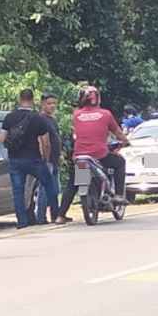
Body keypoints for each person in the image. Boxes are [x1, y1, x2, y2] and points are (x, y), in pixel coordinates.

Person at [56, 86, 130, 224]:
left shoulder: (76, 115)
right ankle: (119, 196)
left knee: (73, 183)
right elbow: (118, 133)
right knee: (120, 163)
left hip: (80, 156)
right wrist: (126, 141)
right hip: (99, 154)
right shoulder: (105, 114)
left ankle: (60, 215)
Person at [0, 89, 58, 229]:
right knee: (49, 184)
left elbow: (1, 139)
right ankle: (56, 214)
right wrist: (46, 159)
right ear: (32, 100)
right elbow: (46, 143)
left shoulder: (9, 117)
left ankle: (22, 222)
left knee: (18, 191)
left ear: (20, 99)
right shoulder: (38, 118)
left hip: (15, 160)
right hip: (34, 159)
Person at [37, 92, 68, 223]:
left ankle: (56, 214)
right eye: (49, 103)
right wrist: (45, 158)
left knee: (55, 189)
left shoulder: (52, 120)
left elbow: (56, 138)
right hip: (46, 160)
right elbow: (41, 140)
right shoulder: (40, 119)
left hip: (54, 159)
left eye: (54, 103)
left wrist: (60, 154)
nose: (52, 106)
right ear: (42, 104)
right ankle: (41, 217)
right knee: (44, 189)